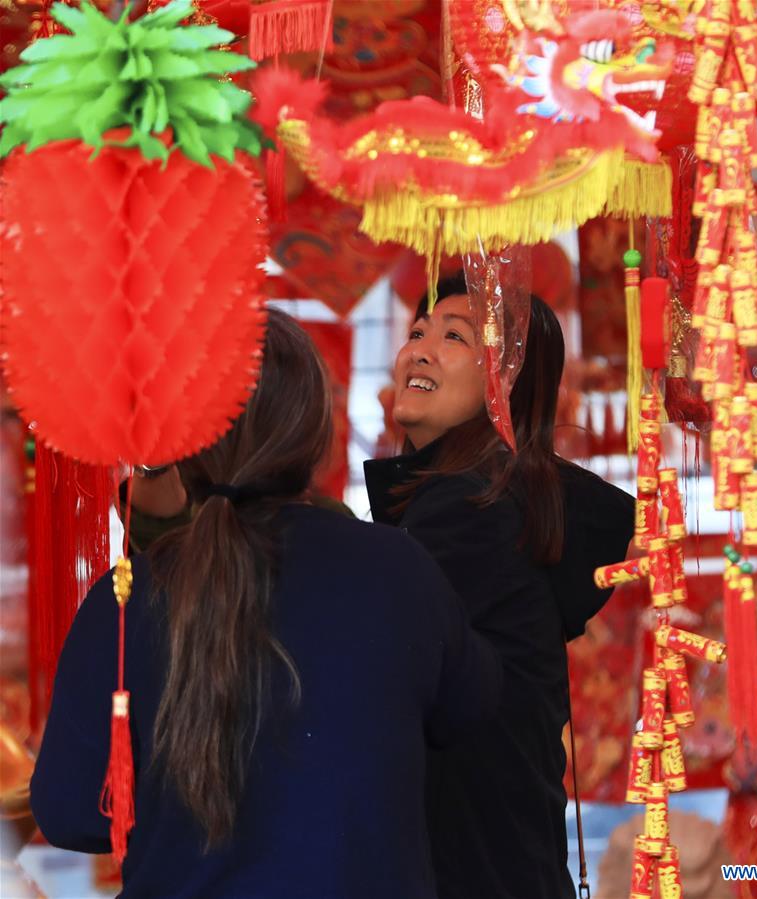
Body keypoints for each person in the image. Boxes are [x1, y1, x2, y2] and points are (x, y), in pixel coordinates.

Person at [30, 310, 502, 899]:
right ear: (312, 434)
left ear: (186, 445)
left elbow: (73, 815)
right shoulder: (397, 569)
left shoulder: (125, 600)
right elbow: (473, 712)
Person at [363, 273, 634, 899]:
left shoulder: (468, 510)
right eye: (417, 332)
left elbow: (396, 683)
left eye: (454, 336)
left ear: (506, 381)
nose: (419, 351)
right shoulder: (493, 500)